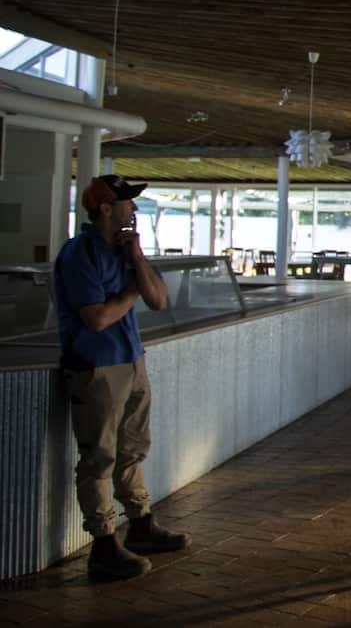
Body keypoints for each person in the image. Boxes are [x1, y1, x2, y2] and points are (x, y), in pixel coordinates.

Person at [54, 174, 189, 580]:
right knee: (100, 458)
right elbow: (96, 318)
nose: (134, 209)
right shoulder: (80, 254)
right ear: (105, 208)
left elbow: (160, 300)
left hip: (131, 360)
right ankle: (104, 543)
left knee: (132, 449)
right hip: (96, 366)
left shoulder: (125, 251)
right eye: (127, 203)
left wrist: (138, 258)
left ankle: (141, 523)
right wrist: (131, 290)